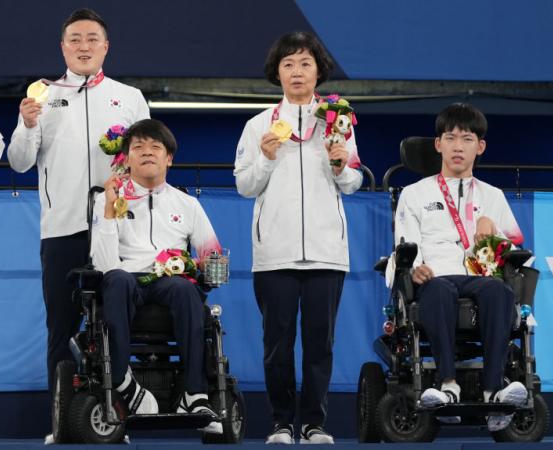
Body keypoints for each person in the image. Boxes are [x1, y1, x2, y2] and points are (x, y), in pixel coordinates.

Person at [6, 9, 149, 443]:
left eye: (92, 39)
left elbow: (150, 162)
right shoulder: (42, 97)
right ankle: (61, 423)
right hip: (62, 229)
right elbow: (19, 161)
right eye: (75, 39)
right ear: (63, 47)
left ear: (106, 46)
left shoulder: (130, 97)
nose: (83, 46)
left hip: (119, 229)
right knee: (61, 329)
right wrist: (28, 125)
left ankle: (115, 421)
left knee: (117, 326)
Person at [234, 31, 363, 445]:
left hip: (327, 253)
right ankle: (281, 423)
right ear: (277, 72)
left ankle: (313, 423)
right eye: (287, 64)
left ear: (318, 72)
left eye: (305, 63)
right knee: (277, 345)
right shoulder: (259, 126)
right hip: (275, 253)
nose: (296, 71)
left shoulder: (338, 122)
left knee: (320, 345)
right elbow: (244, 185)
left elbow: (354, 182)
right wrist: (267, 158)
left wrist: (342, 166)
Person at [395, 103, 527, 431]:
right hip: (436, 278)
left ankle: (494, 388)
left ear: (479, 147)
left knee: (499, 289)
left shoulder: (493, 196)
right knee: (439, 287)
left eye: (467, 139)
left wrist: (493, 236)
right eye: (450, 138)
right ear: (438, 144)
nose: (458, 146)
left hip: (479, 278)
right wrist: (416, 268)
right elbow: (405, 247)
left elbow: (516, 252)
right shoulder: (414, 194)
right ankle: (447, 385)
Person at [90, 119, 222, 434]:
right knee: (118, 278)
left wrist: (208, 268)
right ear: (126, 158)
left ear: (169, 158)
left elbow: (211, 255)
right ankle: (122, 379)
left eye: (155, 147)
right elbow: (105, 265)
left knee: (184, 289)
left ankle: (194, 394)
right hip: (126, 280)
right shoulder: (108, 199)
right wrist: (109, 210)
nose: (147, 152)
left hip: (168, 281)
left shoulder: (187, 204)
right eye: (138, 147)